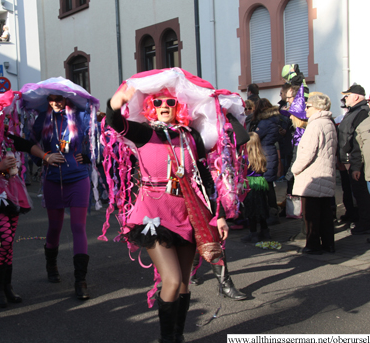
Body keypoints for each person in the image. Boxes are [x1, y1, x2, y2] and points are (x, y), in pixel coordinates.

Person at [107, 84, 229, 343]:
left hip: (187, 214)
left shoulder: (191, 136)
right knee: (172, 280)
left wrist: (218, 215)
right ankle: (166, 339)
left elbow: (205, 176)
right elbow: (115, 122)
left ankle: (178, 336)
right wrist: (114, 104)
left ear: (178, 107)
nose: (164, 106)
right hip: (154, 214)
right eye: (159, 102)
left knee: (184, 282)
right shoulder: (143, 132)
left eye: (170, 103)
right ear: (152, 107)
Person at [0, 94, 46, 308]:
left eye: (2, 118)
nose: (1, 121)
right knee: (3, 240)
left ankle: (6, 286)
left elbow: (27, 144)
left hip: (13, 193)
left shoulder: (8, 139)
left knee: (8, 244)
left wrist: (45, 156)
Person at [32, 93, 94, 300]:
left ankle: (80, 280)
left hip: (78, 178)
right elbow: (30, 142)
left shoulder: (81, 116)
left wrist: (89, 156)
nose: (55, 102)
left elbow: (98, 138)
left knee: (78, 227)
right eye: (51, 98)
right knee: (55, 227)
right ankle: (51, 265)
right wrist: (43, 157)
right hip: (53, 180)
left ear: (67, 98)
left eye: (59, 98)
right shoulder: (43, 118)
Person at [291, 92, 337, 254]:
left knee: (311, 214)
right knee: (325, 212)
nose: (307, 109)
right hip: (325, 172)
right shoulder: (328, 123)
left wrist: (295, 169)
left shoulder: (315, 125)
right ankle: (328, 244)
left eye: (309, 106)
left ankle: (313, 245)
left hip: (313, 175)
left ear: (318, 108)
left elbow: (307, 152)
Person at [337, 84, 370, 235]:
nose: (345, 98)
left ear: (356, 96)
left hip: (354, 159)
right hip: (347, 159)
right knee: (349, 190)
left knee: (361, 193)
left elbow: (356, 140)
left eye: (347, 95)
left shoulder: (362, 112)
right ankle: (353, 215)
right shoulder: (353, 111)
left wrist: (355, 165)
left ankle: (364, 222)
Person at [249, 99, 280, 224]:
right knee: (270, 185)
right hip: (271, 152)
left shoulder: (264, 123)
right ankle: (273, 212)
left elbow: (256, 137)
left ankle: (270, 213)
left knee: (266, 186)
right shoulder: (276, 120)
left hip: (265, 153)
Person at [241, 132, 270, 242]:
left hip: (249, 185)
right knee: (262, 208)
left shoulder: (244, 158)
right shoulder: (261, 156)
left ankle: (253, 233)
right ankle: (265, 231)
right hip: (261, 185)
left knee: (250, 211)